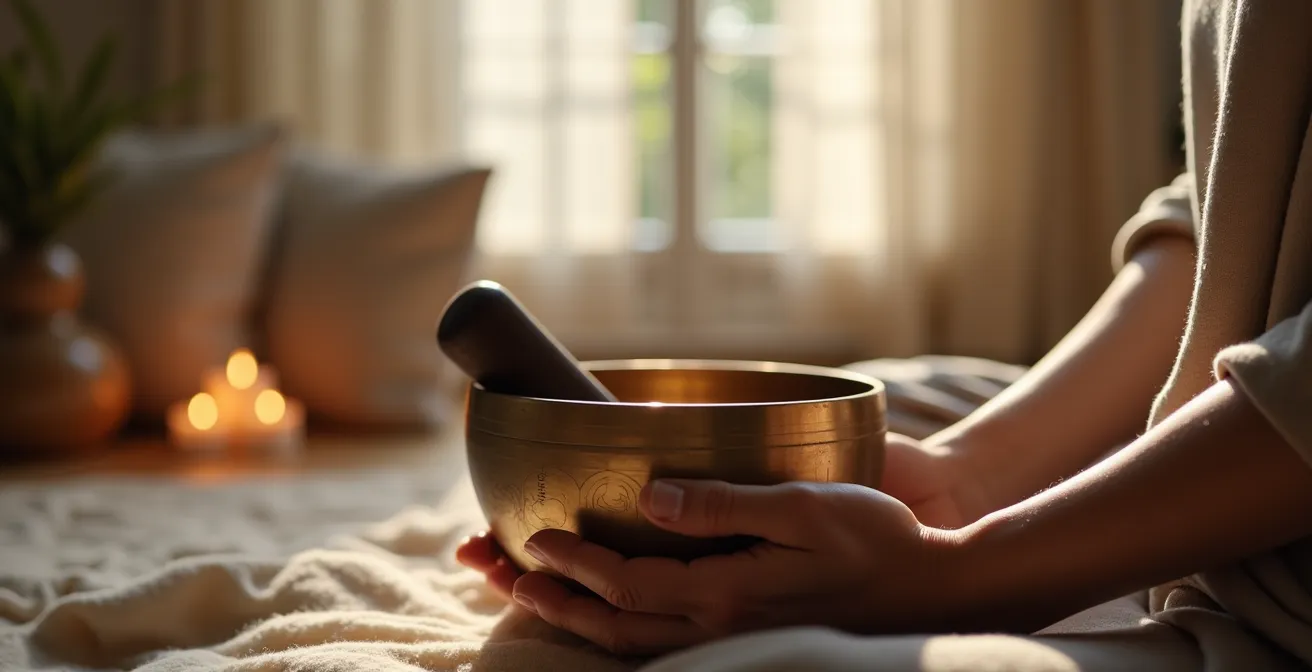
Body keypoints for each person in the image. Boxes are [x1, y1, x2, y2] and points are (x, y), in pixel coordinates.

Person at [458, 1, 1312, 668]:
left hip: (1284, 585)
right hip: (1218, 403)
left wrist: (963, 578)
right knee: (879, 406)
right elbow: (1220, 213)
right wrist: (975, 475)